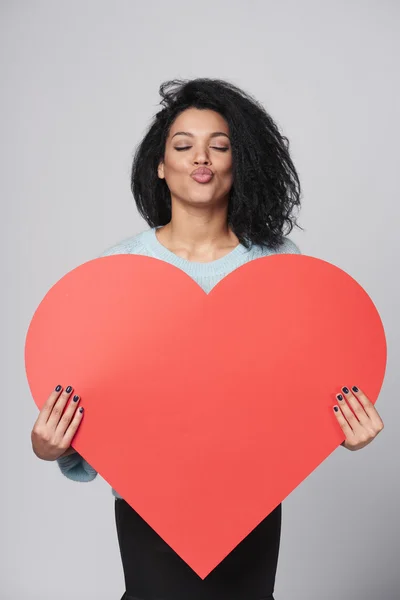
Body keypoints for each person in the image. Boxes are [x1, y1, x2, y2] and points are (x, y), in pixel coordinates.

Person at [31, 78, 384, 600]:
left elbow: (305, 380)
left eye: (220, 146)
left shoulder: (279, 265)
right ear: (159, 164)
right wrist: (53, 446)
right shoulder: (118, 271)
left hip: (251, 505)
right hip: (149, 504)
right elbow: (100, 390)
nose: (202, 157)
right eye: (183, 145)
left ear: (238, 164)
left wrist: (346, 427)